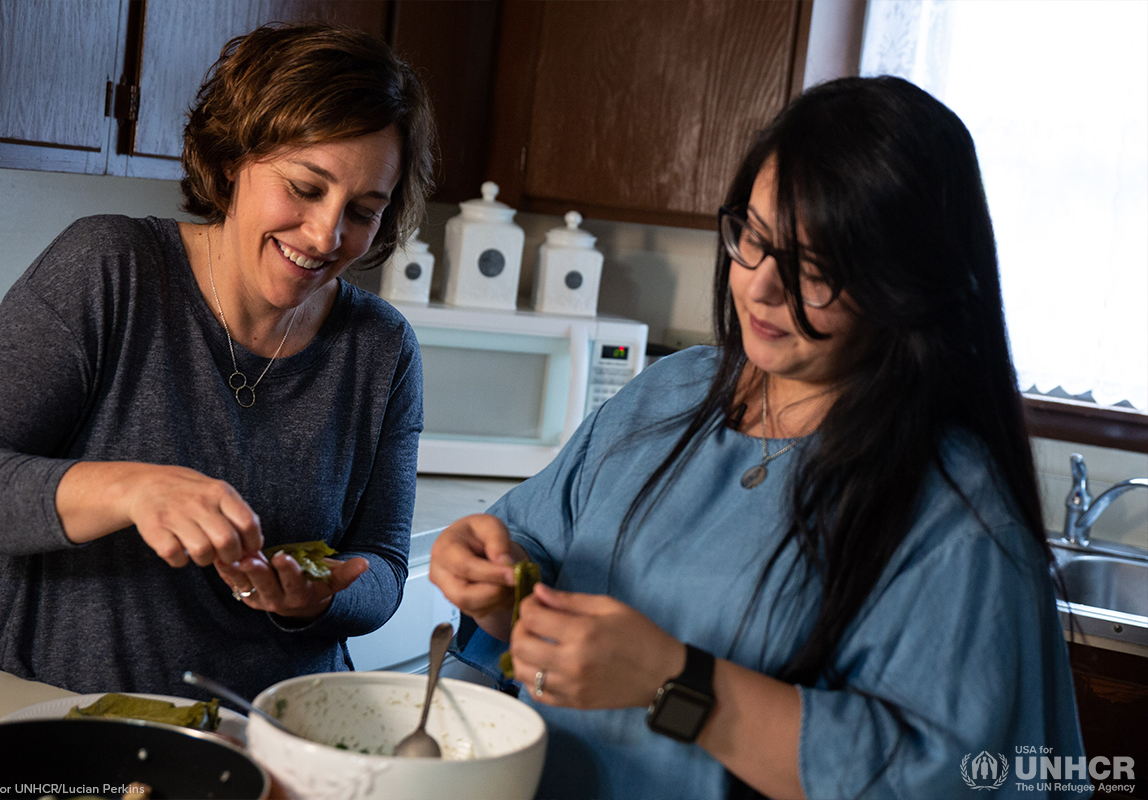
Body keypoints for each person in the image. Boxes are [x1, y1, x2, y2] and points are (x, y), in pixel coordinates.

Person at [430, 76, 1086, 800]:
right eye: (755, 238)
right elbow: (535, 566)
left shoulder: (956, 515)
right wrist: (500, 591)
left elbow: (939, 776)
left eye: (818, 269)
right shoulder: (670, 392)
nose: (762, 287)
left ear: (908, 287)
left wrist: (673, 683)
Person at [0, 23, 434, 701]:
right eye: (304, 186)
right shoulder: (109, 271)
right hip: (72, 729)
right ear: (235, 157)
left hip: (278, 733)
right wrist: (130, 490)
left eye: (362, 210)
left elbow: (381, 567)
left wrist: (317, 599)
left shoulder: (381, 349)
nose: (326, 235)